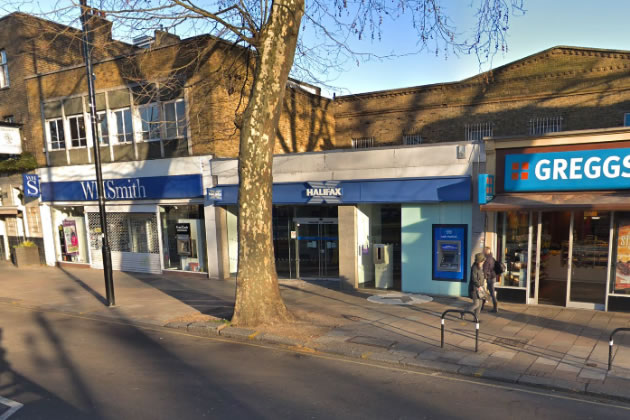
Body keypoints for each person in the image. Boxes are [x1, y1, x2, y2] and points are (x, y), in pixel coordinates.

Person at [467, 252, 486, 321]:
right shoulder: (474, 268)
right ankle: (463, 312)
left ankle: (476, 319)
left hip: (480, 288)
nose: (483, 262)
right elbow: (474, 278)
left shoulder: (480, 267)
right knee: (476, 304)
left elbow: (481, 276)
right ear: (480, 260)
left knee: (480, 304)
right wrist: (479, 285)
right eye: (482, 261)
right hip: (474, 289)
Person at [482, 246, 499, 313]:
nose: (483, 252)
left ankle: (495, 307)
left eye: (484, 251)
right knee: (487, 292)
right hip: (493, 277)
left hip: (489, 278)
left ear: (486, 251)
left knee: (490, 292)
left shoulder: (487, 260)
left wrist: (483, 278)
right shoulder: (492, 258)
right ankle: (483, 305)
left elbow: (485, 270)